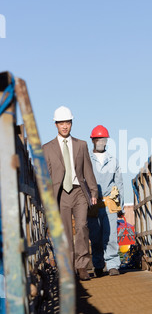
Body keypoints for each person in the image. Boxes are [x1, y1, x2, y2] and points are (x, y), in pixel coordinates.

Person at [42, 106, 98, 281]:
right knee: (65, 232)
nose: (64, 126)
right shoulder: (47, 148)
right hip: (60, 195)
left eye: (67, 122)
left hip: (79, 191)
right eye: (61, 123)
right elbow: (46, 176)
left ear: (71, 123)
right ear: (56, 125)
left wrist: (93, 191)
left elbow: (88, 170)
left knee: (82, 226)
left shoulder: (81, 145)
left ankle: (82, 266)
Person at [88, 125, 124, 277]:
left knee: (110, 237)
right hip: (93, 203)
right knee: (95, 237)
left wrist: (120, 206)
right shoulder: (86, 160)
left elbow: (119, 183)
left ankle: (113, 265)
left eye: (103, 139)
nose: (101, 142)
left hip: (109, 202)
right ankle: (97, 265)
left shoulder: (113, 161)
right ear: (93, 141)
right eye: (98, 139)